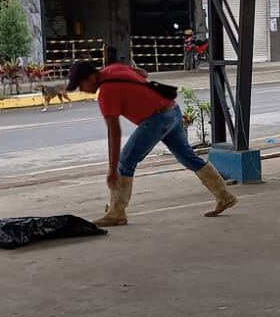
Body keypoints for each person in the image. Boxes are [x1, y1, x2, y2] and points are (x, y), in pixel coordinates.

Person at [64, 58, 236, 225]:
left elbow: (114, 132)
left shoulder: (106, 93)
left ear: (91, 78)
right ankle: (224, 196)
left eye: (81, 85)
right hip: (172, 111)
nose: (82, 89)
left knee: (125, 162)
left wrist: (112, 169)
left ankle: (117, 213)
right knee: (187, 157)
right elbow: (143, 73)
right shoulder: (114, 69)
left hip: (156, 120)